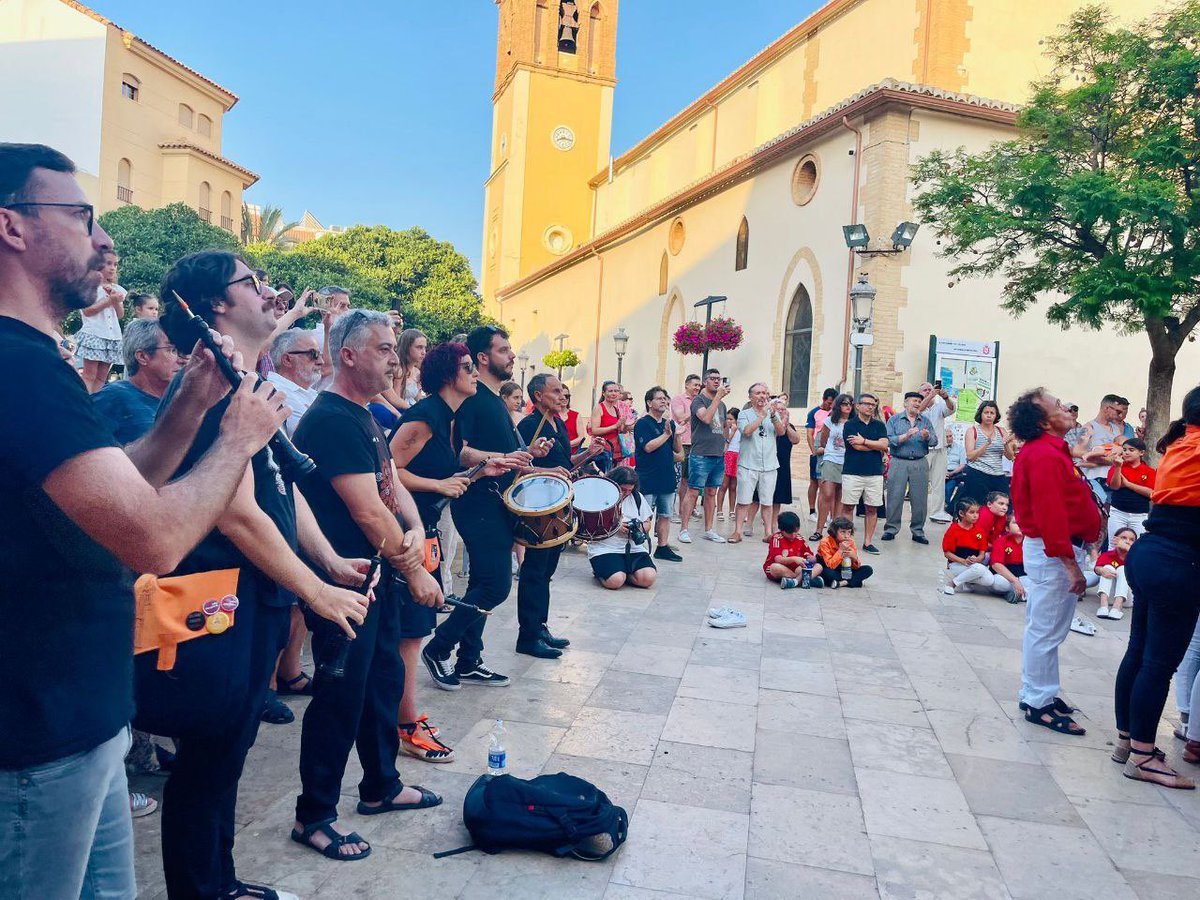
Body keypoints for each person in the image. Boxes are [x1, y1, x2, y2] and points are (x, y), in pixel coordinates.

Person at [0, 144, 303, 899]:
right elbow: (154, 539)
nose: (104, 239)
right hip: (37, 734)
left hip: (85, 720)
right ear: (11, 226)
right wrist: (238, 435)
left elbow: (118, 489)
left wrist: (194, 404)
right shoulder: (17, 368)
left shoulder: (35, 364)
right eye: (81, 216)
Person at [152, 252, 372, 895]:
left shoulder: (244, 377)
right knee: (208, 756)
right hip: (220, 595)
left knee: (230, 750)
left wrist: (326, 559)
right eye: (251, 282)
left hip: (257, 597)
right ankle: (202, 890)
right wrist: (318, 591)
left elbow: (279, 484)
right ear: (215, 306)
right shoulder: (210, 384)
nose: (269, 290)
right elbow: (236, 514)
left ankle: (221, 880)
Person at [289, 308, 445, 861]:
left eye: (395, 348)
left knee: (380, 679)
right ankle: (315, 816)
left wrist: (418, 530)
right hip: (343, 582)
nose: (395, 358)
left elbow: (392, 486)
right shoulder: (330, 419)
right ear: (348, 354)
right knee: (340, 695)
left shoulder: (366, 415)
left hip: (377, 578)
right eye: (383, 348)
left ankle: (380, 787)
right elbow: (364, 512)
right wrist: (416, 569)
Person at [390, 342, 516, 760]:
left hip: (424, 528)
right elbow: (386, 472)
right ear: (449, 375)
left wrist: (484, 467)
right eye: (467, 367)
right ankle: (405, 725)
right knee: (409, 633)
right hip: (403, 531)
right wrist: (439, 486)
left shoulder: (452, 418)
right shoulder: (424, 417)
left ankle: (406, 718)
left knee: (414, 630)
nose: (475, 373)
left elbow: (452, 460)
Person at [421, 325, 543, 691]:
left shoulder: (492, 399)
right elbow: (459, 450)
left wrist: (523, 459)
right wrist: (501, 457)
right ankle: (438, 647)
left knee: (480, 584)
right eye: (504, 350)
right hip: (477, 502)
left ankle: (469, 659)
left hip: (498, 501)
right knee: (496, 586)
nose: (511, 355)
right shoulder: (473, 400)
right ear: (484, 357)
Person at [1113, 384, 1200, 788]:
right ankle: (1144, 758)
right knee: (1159, 664)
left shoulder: (1182, 444)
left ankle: (1127, 743)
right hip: (1177, 566)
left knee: (1139, 652)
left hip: (1149, 555)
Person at [1008, 388, 1101, 738]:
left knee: (1047, 627)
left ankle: (1039, 690)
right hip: (1053, 553)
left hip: (1055, 551)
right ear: (1046, 421)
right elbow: (1050, 515)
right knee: (1046, 629)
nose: (1067, 408)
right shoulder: (1044, 455)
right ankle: (1038, 703)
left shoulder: (1052, 450)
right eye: (1059, 406)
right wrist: (1071, 565)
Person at [516, 373, 600, 657]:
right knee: (535, 570)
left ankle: (540, 627)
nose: (562, 396)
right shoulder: (529, 425)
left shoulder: (559, 423)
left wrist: (588, 455)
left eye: (563, 392)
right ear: (538, 396)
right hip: (539, 506)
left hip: (558, 504)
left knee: (547, 570)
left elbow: (564, 464)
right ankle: (527, 636)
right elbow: (520, 465)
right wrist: (548, 471)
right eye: (555, 391)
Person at [93, 318, 183, 445]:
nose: (182, 359)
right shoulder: (111, 399)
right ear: (142, 357)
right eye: (172, 350)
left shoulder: (183, 400)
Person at [679, 369, 731, 543]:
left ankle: (709, 529)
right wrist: (718, 398)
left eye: (719, 379)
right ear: (705, 381)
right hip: (701, 454)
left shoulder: (722, 405)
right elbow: (706, 418)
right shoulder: (698, 401)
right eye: (713, 379)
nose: (717, 382)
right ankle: (684, 529)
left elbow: (723, 425)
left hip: (717, 455)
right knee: (693, 491)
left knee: (711, 492)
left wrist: (725, 442)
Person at [635, 385, 684, 561]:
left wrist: (677, 435)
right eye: (659, 398)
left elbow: (677, 451)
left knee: (665, 514)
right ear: (649, 402)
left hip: (667, 476)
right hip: (648, 477)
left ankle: (662, 548)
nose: (664, 401)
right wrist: (665, 435)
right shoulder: (642, 423)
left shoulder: (668, 423)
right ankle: (639, 549)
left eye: (665, 398)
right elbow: (648, 447)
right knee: (645, 516)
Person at [882, 391, 938, 544]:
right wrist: (905, 436)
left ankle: (918, 531)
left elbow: (935, 441)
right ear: (906, 403)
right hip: (899, 461)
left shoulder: (925, 421)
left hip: (920, 462)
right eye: (914, 400)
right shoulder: (894, 420)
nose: (917, 403)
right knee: (894, 496)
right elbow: (888, 439)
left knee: (919, 499)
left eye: (919, 401)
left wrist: (928, 437)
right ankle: (890, 529)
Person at [589, 466, 657, 589]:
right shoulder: (600, 498)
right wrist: (615, 527)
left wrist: (638, 528)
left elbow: (647, 522)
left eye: (629, 490)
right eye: (623, 489)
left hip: (633, 547)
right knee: (615, 582)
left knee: (648, 578)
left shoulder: (637, 497)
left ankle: (624, 573)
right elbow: (589, 525)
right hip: (606, 548)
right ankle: (610, 574)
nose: (626, 493)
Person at [732, 383, 784, 544]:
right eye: (759, 393)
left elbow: (781, 432)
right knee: (743, 500)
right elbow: (746, 431)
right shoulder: (744, 414)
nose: (763, 396)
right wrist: (761, 415)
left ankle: (768, 532)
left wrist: (773, 416)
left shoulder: (773, 414)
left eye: (765, 393)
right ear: (750, 397)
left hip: (769, 464)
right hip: (748, 463)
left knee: (767, 501)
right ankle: (738, 531)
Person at [839, 393, 887, 554]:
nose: (870, 407)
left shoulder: (879, 425)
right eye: (866, 404)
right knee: (848, 507)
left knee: (872, 508)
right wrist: (876, 445)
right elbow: (856, 446)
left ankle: (868, 542)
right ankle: (846, 541)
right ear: (857, 406)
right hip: (853, 472)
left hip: (874, 473)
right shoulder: (850, 425)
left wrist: (865, 441)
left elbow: (885, 445)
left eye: (873, 404)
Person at [941, 499, 1016, 601]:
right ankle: (953, 583)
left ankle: (968, 581)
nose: (976, 515)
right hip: (956, 564)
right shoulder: (953, 530)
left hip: (974, 564)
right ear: (961, 513)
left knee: (989, 580)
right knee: (980, 569)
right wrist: (963, 561)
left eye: (977, 512)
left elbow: (982, 553)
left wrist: (977, 559)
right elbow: (947, 553)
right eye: (972, 512)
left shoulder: (979, 530)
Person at [75, 248, 125, 392]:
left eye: (115, 264)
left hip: (111, 336)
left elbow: (120, 314)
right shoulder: (89, 287)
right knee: (89, 375)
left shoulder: (116, 288)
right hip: (95, 333)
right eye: (108, 263)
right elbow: (87, 311)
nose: (112, 268)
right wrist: (109, 300)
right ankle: (85, 401)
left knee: (102, 377)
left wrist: (115, 301)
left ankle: (95, 404)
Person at [265, 329, 322, 436]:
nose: (321, 361)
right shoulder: (276, 392)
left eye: (320, 354)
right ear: (287, 360)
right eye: (313, 354)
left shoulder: (308, 392)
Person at [813, 393, 852, 541]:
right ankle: (819, 529)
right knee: (827, 493)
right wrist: (824, 449)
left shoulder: (853, 422)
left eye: (850, 403)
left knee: (841, 496)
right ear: (838, 406)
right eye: (844, 403)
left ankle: (835, 529)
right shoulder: (830, 421)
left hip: (847, 461)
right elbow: (823, 440)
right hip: (831, 458)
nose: (848, 406)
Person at [962, 400, 1015, 503]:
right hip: (978, 472)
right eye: (986, 413)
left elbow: (1010, 456)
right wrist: (986, 444)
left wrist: (1005, 444)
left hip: (998, 473)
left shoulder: (1001, 431)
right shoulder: (972, 431)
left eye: (992, 413)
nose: (989, 416)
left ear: (996, 416)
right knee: (979, 506)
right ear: (980, 414)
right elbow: (970, 456)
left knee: (1003, 505)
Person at [919, 381, 956, 522]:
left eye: (931, 389)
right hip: (922, 450)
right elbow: (919, 411)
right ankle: (918, 511)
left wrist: (946, 397)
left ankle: (937, 512)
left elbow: (952, 409)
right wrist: (931, 395)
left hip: (940, 448)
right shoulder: (917, 405)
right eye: (925, 390)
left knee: (939, 483)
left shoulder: (940, 406)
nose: (929, 391)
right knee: (920, 482)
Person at [1077, 394, 1126, 500]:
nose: (1120, 415)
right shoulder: (1088, 427)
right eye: (1118, 411)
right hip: (1095, 479)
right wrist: (1110, 460)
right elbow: (1079, 453)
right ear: (1107, 408)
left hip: (1113, 479)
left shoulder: (1116, 429)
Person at [1106, 438, 1155, 540]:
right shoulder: (1117, 466)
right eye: (1124, 450)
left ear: (1141, 453)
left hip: (1139, 515)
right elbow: (1114, 486)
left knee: (1136, 545)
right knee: (1114, 543)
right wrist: (1118, 467)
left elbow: (1151, 493)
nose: (1126, 452)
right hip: (1118, 512)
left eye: (1131, 450)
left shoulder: (1149, 471)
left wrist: (1128, 484)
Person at [768, 396, 803, 537]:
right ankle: (750, 523)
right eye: (779, 409)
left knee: (778, 496)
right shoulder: (768, 423)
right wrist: (779, 422)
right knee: (758, 497)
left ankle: (773, 524)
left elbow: (796, 440)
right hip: (767, 463)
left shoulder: (790, 425)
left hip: (782, 464)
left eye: (784, 409)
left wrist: (786, 424)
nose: (782, 411)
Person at [764, 510, 824, 589]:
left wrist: (811, 558)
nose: (793, 535)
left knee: (819, 566)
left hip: (796, 568)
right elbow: (778, 559)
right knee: (775, 568)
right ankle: (805, 580)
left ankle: (795, 582)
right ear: (781, 530)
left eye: (795, 532)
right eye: (789, 533)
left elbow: (808, 554)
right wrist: (794, 559)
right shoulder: (777, 539)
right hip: (782, 568)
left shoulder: (800, 538)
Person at [804, 389, 837, 520]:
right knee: (814, 482)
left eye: (833, 403)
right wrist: (813, 452)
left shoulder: (835, 414)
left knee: (828, 484)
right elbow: (809, 434)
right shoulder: (814, 412)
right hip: (817, 452)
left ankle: (828, 513)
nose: (830, 406)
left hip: (831, 453)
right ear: (824, 399)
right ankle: (812, 511)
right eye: (829, 403)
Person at [671, 374, 701, 518]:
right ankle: (680, 510)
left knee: (693, 478)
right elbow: (681, 418)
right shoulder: (679, 399)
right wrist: (696, 407)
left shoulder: (701, 400)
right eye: (695, 385)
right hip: (683, 443)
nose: (697, 387)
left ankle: (691, 507)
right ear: (687, 385)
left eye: (699, 385)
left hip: (699, 443)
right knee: (682, 479)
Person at [817, 517, 873, 588]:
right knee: (827, 573)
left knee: (868, 569)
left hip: (845, 570)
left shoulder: (851, 542)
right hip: (831, 568)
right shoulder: (825, 542)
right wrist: (840, 551)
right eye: (843, 532)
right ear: (834, 532)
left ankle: (842, 583)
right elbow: (830, 565)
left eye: (849, 532)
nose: (846, 536)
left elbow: (856, 567)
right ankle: (854, 581)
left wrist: (854, 557)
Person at [381, 327, 427, 414]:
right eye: (419, 347)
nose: (423, 352)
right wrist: (415, 410)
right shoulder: (399, 370)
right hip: (402, 410)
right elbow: (396, 399)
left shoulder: (417, 372)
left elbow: (418, 397)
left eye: (425, 348)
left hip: (412, 407)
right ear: (407, 348)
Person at [1095, 527, 1136, 620]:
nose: (1127, 541)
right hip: (1110, 595)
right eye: (1123, 538)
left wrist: (1129, 549)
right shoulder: (1108, 554)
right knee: (1107, 567)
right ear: (1115, 539)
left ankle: (1117, 607)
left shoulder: (1136, 557)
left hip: (1127, 598)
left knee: (1122, 568)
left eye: (1131, 540)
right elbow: (1097, 568)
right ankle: (1103, 606)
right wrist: (1101, 570)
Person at [591, 379, 629, 469]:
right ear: (603, 393)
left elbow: (620, 431)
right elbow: (594, 430)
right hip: (602, 452)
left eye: (616, 391)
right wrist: (615, 426)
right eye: (610, 391)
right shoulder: (599, 407)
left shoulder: (616, 409)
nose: (613, 393)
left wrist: (627, 426)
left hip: (615, 452)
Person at [990, 516, 1029, 602]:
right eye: (1015, 523)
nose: (1020, 525)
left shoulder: (1029, 542)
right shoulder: (1001, 541)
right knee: (998, 583)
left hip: (1023, 576)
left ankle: (1015, 595)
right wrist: (1015, 581)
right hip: (1005, 577)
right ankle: (1021, 594)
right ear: (1007, 528)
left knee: (1035, 585)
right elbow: (996, 565)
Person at [716, 408, 739, 522]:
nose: (729, 421)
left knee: (733, 486)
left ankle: (732, 510)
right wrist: (732, 433)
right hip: (727, 456)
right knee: (723, 485)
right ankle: (719, 510)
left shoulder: (740, 430)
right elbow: (724, 445)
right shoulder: (725, 430)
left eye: (731, 419)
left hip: (737, 457)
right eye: (727, 419)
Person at [944, 429, 967, 510]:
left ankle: (947, 507)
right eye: (946, 437)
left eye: (950, 436)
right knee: (939, 490)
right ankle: (942, 507)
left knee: (948, 488)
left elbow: (963, 465)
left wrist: (951, 473)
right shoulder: (939, 449)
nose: (949, 438)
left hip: (954, 474)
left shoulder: (960, 448)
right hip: (941, 473)